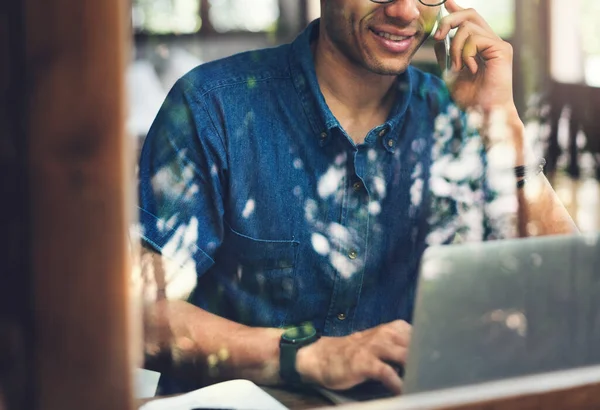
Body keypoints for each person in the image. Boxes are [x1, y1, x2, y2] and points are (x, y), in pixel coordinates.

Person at [137, 0, 577, 396]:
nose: (405, 12)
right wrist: (309, 357)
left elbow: (575, 306)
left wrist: (504, 133)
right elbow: (138, 320)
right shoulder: (213, 107)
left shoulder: (453, 117)